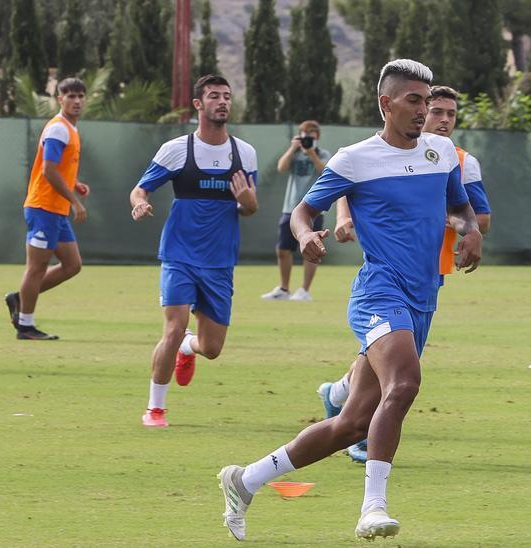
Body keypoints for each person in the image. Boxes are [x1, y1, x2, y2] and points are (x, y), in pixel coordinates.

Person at [216, 59, 482, 541]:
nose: (424, 111)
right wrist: (305, 237)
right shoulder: (354, 159)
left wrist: (470, 233)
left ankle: (246, 479)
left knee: (352, 422)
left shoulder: (441, 152)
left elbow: (459, 205)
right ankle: (372, 507)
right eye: (414, 101)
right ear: (386, 103)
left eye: (428, 102)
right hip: (378, 292)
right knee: (404, 385)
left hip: (424, 297)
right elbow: (303, 210)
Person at [318, 84, 492, 463]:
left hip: (431, 272)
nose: (442, 119)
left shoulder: (459, 159)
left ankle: (338, 397)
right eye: (434, 110)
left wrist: (468, 229)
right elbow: (348, 186)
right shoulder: (371, 155)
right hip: (385, 275)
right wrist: (344, 218)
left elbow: (479, 216)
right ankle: (367, 460)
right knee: (397, 370)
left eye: (449, 113)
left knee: (386, 360)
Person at [129, 75, 259, 428]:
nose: (223, 102)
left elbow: (249, 207)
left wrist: (248, 202)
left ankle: (190, 348)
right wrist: (140, 204)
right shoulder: (176, 150)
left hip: (220, 260)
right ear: (199, 104)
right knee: (173, 327)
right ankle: (155, 408)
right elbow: (140, 190)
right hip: (179, 255)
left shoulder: (244, 153)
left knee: (212, 348)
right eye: (214, 96)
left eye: (227, 96)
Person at [6, 78, 90, 341]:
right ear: (59, 98)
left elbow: (57, 166)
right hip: (43, 207)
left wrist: (74, 184)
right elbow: (48, 170)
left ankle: (19, 298)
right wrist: (75, 202)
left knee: (72, 264)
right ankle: (26, 326)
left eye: (80, 96)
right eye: (70, 96)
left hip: (56, 209)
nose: (76, 101)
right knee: (36, 268)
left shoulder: (70, 129)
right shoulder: (58, 129)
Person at [262, 120, 331, 301]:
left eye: (312, 136)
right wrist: (293, 149)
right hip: (290, 208)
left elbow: (325, 172)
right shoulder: (295, 154)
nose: (308, 138)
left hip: (313, 209)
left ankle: (304, 290)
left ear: (317, 137)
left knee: (311, 250)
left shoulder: (323, 154)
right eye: (305, 135)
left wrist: (311, 153)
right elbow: (281, 167)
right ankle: (284, 289)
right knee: (283, 249)